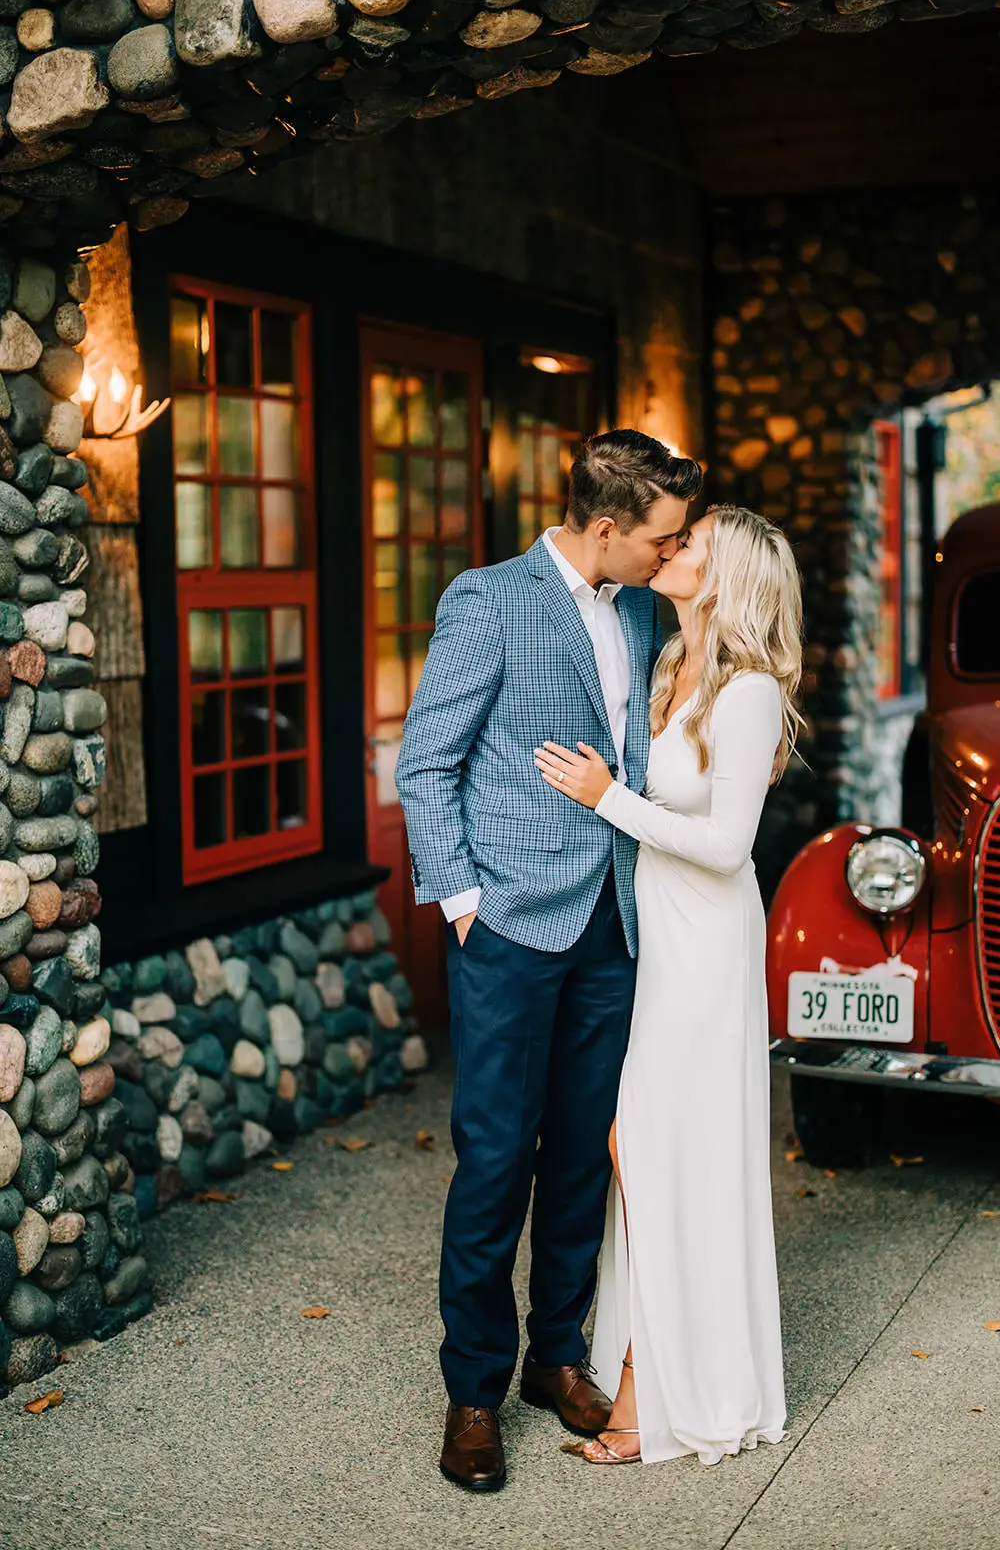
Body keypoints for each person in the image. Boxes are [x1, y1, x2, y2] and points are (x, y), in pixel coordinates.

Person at [394, 429, 703, 1492]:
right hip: (512, 928)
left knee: (580, 1153)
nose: (671, 557)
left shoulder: (638, 604)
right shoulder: (488, 599)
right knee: (492, 1162)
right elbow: (425, 762)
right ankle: (473, 1391)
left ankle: (553, 1357)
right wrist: (468, 905)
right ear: (606, 527)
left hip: (614, 926)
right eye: (660, 540)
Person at [533, 503, 802, 1467]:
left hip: (706, 942)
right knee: (647, 1146)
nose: (673, 547)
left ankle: (659, 1391)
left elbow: (729, 848)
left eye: (692, 544)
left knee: (650, 1146)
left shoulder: (749, 693)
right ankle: (658, 1375)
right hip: (658, 936)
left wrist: (610, 798)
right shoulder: (671, 669)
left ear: (727, 575)